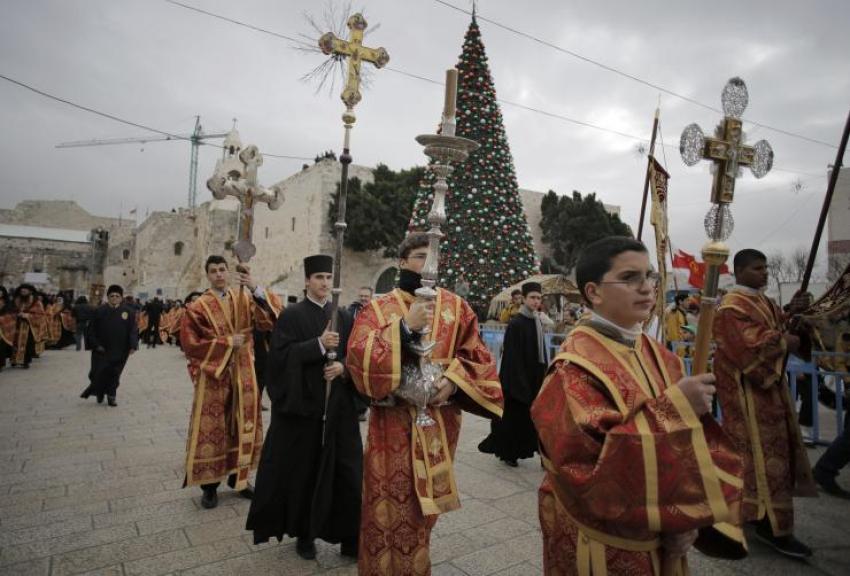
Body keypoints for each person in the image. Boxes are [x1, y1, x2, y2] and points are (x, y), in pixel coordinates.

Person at [531, 236, 744, 575]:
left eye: (649, 276)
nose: (646, 288)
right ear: (594, 292)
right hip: (606, 538)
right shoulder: (572, 370)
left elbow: (687, 445)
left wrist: (684, 516)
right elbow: (585, 471)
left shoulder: (661, 355)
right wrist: (676, 410)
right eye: (630, 278)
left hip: (662, 533)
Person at [346, 232, 504, 575]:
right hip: (392, 427)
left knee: (422, 511)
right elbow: (358, 358)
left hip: (437, 424)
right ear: (403, 262)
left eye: (433, 257)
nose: (428, 264)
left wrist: (455, 380)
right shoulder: (379, 307)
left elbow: (478, 356)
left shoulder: (456, 307)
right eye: (420, 256)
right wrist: (404, 327)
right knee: (385, 506)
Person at [247, 255, 361, 560]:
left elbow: (358, 358)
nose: (325, 283)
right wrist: (318, 345)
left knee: (347, 473)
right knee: (305, 474)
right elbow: (280, 360)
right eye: (319, 277)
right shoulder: (292, 315)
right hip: (305, 412)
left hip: (339, 410)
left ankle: (349, 536)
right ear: (307, 280)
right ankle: (305, 534)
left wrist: (343, 369)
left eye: (328, 277)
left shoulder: (346, 317)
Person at [712, 248, 817, 558]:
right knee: (759, 458)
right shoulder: (731, 306)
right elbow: (747, 345)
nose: (765, 273)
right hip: (747, 394)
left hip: (770, 392)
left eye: (766, 268)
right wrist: (784, 341)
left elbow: (780, 328)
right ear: (739, 271)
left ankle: (756, 516)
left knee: (771, 457)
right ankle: (772, 526)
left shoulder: (765, 302)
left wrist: (795, 316)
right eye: (758, 269)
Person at [180, 256, 281, 509]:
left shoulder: (243, 297)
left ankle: (240, 477)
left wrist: (253, 286)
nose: (218, 274)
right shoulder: (199, 306)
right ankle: (210, 486)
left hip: (245, 369)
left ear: (228, 272)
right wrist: (225, 343)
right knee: (214, 426)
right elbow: (190, 344)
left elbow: (269, 318)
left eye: (222, 269)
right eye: (213, 271)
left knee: (242, 422)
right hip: (215, 374)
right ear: (207, 275)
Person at [489, 281, 548, 467]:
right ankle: (509, 453)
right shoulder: (516, 323)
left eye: (538, 298)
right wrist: (519, 383)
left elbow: (542, 353)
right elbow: (511, 356)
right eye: (532, 297)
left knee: (536, 418)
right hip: (517, 379)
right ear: (524, 299)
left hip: (534, 378)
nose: (535, 301)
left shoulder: (537, 321)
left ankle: (540, 452)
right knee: (515, 418)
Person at [80, 285, 139, 406]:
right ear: (108, 297)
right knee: (97, 373)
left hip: (120, 350)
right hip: (101, 349)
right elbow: (91, 331)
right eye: (112, 296)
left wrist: (133, 345)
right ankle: (100, 392)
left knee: (114, 374)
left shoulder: (128, 312)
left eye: (117, 296)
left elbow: (133, 330)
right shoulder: (99, 311)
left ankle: (111, 395)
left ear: (121, 298)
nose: (114, 298)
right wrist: (96, 345)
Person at [11, 284, 46, 369]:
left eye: (25, 290)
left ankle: (25, 361)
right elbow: (10, 310)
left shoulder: (36, 302)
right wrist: (16, 314)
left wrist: (27, 315)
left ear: (30, 291)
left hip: (29, 327)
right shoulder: (15, 300)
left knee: (27, 344)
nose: (23, 292)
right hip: (17, 325)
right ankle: (14, 360)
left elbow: (40, 315)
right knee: (14, 343)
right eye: (22, 290)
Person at [0, 287, 15, 371]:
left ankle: (1, 364)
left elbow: (10, 316)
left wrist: (1, 319)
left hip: (3, 329)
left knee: (1, 347)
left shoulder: (7, 304)